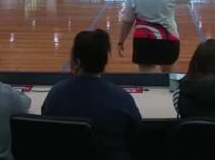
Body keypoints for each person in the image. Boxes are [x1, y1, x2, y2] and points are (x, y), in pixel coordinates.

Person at [42, 30, 141, 160]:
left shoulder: (55, 95)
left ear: (76, 61)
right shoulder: (122, 99)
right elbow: (136, 137)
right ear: (104, 62)